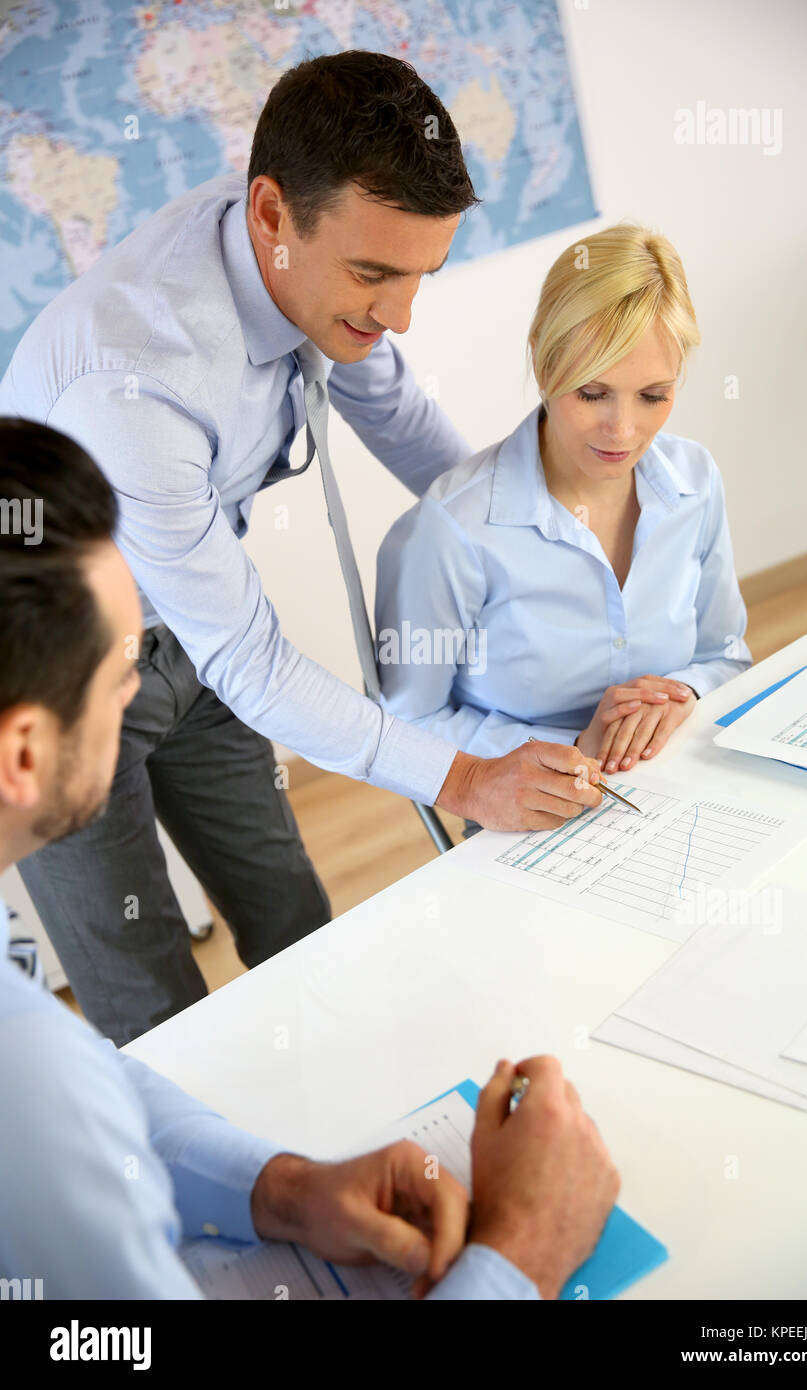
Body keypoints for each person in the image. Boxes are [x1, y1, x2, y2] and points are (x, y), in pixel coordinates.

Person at [0, 51, 601, 1046]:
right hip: (50, 671)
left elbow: (396, 409)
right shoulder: (135, 382)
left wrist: (525, 547)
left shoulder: (288, 249)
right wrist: (460, 779)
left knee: (293, 918)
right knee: (149, 1003)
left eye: (418, 276)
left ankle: (335, 1128)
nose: (396, 314)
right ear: (273, 216)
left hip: (189, 633)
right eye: (373, 275)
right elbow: (254, 658)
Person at [0, 418, 620, 1299]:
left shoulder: (42, 1065)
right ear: (25, 755)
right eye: (119, 673)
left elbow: (90, 1090)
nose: (142, 685)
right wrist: (521, 1254)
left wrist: (281, 1190)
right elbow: (56, 1099)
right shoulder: (28, 1074)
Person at [375, 224, 752, 812]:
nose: (623, 431)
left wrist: (686, 693)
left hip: (684, 786)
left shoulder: (696, 482)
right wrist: (572, 746)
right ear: (544, 365)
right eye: (592, 393)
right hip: (529, 816)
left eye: (653, 396)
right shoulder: (450, 532)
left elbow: (728, 656)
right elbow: (404, 728)